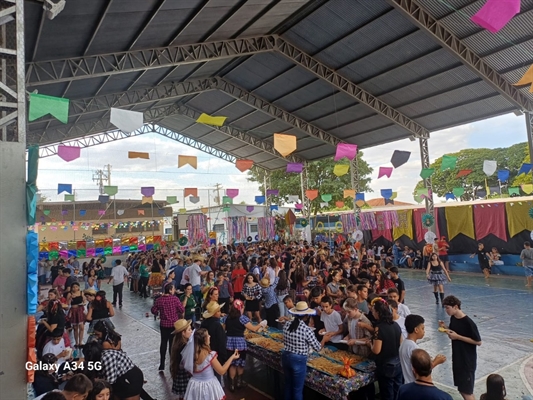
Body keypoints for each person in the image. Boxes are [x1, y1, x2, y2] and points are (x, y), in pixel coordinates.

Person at [439, 295, 482, 400]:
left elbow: (478, 341)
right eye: (445, 308)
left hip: (467, 360)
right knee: (462, 389)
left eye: (448, 308)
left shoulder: (468, 323)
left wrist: (458, 337)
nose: (446, 310)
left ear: (456, 307)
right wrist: (446, 328)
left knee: (466, 391)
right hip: (458, 358)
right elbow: (454, 332)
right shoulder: (453, 318)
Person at [181, 328, 240, 400]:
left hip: (194, 386)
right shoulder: (209, 356)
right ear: (204, 340)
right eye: (207, 335)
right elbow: (221, 371)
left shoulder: (190, 355)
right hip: (208, 386)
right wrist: (232, 357)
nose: (209, 336)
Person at [282, 302, 323, 400]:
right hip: (298, 360)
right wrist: (324, 339)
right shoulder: (306, 329)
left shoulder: (287, 324)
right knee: (297, 390)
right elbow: (317, 347)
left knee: (288, 385)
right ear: (306, 316)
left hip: (286, 357)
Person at [224, 299, 263, 391]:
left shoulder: (227, 317)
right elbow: (253, 329)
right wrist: (261, 324)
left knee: (232, 364)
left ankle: (232, 385)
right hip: (240, 343)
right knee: (240, 363)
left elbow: (223, 329)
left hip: (229, 343)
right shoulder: (242, 318)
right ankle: (239, 382)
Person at [369, 298, 403, 400]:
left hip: (385, 365)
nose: (373, 313)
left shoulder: (379, 328)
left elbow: (376, 350)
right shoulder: (396, 324)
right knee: (397, 389)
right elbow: (401, 343)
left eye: (373, 311)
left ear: (378, 313)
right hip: (398, 363)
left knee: (387, 392)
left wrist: (369, 344)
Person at [399, 314, 446, 384]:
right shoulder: (414, 348)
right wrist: (436, 361)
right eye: (422, 328)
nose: (424, 331)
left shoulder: (404, 343)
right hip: (415, 385)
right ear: (416, 330)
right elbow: (420, 373)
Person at [151, 283, 185, 371]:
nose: (174, 291)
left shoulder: (159, 300)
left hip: (164, 325)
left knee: (163, 343)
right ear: (170, 290)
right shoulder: (175, 299)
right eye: (173, 289)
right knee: (172, 344)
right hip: (174, 325)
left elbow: (154, 310)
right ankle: (172, 362)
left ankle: (162, 363)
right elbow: (181, 309)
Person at [200, 302, 228, 385]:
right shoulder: (217, 325)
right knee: (216, 380)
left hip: (204, 355)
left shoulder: (203, 323)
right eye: (218, 311)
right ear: (214, 313)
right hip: (215, 356)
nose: (220, 313)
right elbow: (221, 342)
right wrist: (224, 358)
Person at [170, 319, 193, 400]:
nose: (191, 331)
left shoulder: (177, 342)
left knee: (183, 396)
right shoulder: (184, 345)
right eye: (189, 329)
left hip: (179, 373)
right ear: (183, 333)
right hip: (185, 374)